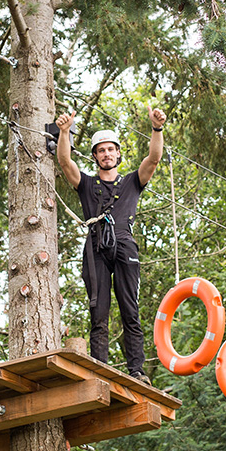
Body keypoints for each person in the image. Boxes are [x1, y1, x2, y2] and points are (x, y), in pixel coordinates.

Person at [55, 106, 166, 383]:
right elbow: (65, 162)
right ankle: (100, 370)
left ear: (118, 154)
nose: (106, 154)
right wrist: (65, 132)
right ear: (95, 156)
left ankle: (137, 371)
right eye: (101, 150)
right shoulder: (87, 185)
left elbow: (153, 160)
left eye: (110, 150)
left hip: (124, 245)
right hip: (96, 249)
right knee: (98, 312)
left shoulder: (131, 182)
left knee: (130, 310)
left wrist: (156, 128)